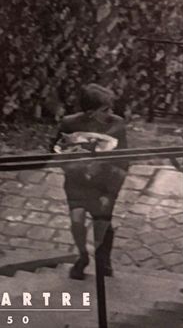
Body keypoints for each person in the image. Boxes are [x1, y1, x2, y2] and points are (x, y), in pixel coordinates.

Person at [53, 83, 128, 280]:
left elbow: (124, 159)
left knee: (102, 221)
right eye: (105, 110)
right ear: (90, 112)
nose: (110, 113)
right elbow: (56, 151)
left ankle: (104, 260)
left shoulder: (117, 124)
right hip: (77, 182)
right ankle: (83, 256)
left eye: (111, 108)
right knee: (76, 220)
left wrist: (112, 187)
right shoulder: (69, 123)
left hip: (105, 182)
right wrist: (76, 166)